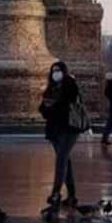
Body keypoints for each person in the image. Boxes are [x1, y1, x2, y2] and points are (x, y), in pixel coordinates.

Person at [39, 61, 82, 209]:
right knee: (65, 162)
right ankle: (72, 196)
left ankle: (56, 193)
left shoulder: (70, 84)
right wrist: (46, 107)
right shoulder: (50, 87)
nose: (55, 73)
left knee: (61, 160)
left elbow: (68, 103)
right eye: (53, 70)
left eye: (58, 70)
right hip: (55, 130)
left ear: (64, 71)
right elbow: (43, 108)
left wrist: (52, 107)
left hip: (69, 128)